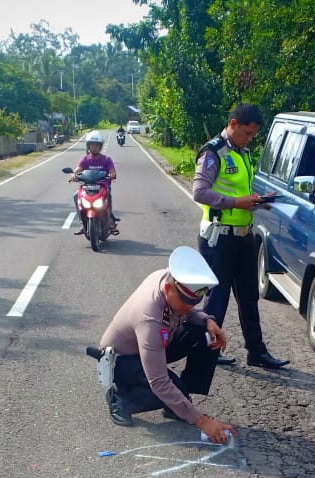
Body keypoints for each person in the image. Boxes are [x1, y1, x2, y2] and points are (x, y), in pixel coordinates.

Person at [98, 246, 237, 444]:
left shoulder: (169, 278)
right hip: (122, 360)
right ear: (168, 289)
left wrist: (207, 320)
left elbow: (188, 311)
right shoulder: (149, 318)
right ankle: (120, 398)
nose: (191, 307)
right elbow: (159, 382)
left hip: (152, 345)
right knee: (167, 389)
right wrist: (203, 421)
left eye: (195, 301)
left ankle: (180, 400)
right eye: (187, 301)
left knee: (205, 333)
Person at [193, 103, 289, 369]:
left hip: (244, 236)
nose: (249, 139)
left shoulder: (242, 152)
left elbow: (241, 190)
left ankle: (256, 352)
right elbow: (200, 192)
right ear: (233, 124)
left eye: (253, 135)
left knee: (249, 297)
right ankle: (207, 349)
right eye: (247, 133)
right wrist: (237, 202)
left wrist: (257, 202)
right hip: (219, 238)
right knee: (217, 298)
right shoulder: (213, 153)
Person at [70, 131, 118, 235]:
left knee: (108, 195)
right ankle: (82, 223)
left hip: (103, 187)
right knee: (75, 195)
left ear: (100, 146)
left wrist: (111, 175)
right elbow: (79, 168)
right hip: (87, 187)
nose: (94, 147)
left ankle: (110, 221)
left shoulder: (107, 160)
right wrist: (74, 174)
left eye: (97, 145)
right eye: (92, 144)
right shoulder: (85, 159)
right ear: (88, 146)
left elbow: (112, 172)